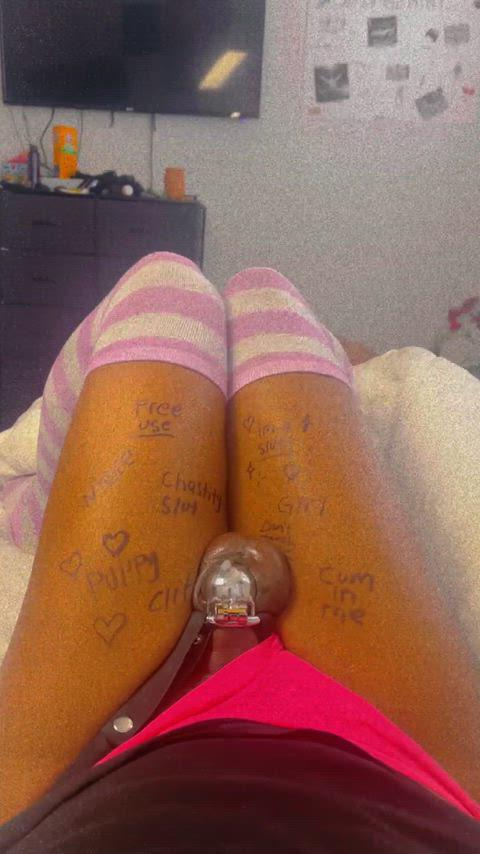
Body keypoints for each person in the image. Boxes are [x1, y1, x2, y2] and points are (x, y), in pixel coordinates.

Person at [0, 252, 479, 851]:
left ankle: (44, 514)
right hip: (406, 780)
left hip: (67, 787)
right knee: (264, 300)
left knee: (165, 291)